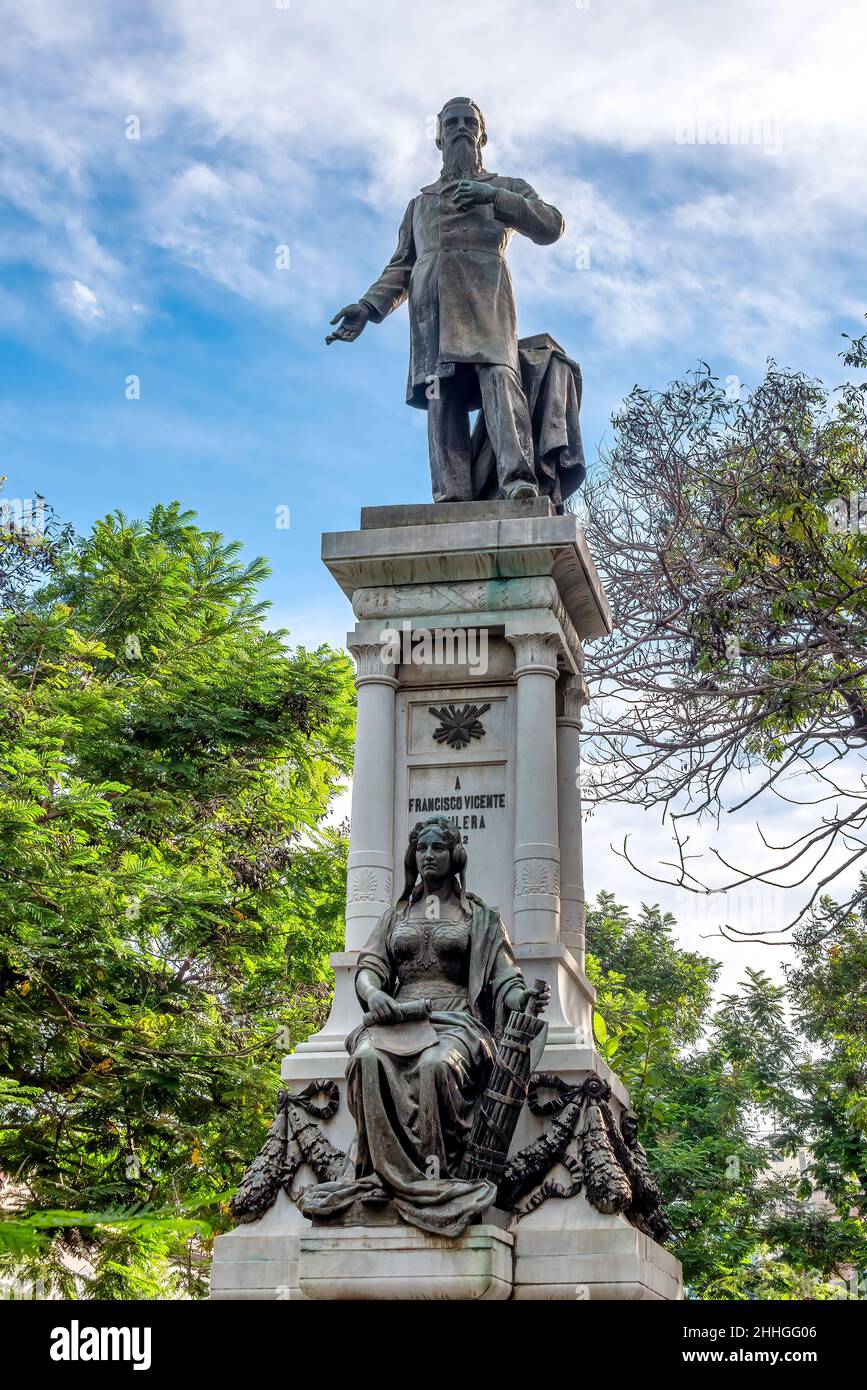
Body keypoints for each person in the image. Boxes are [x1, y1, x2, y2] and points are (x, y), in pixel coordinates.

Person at [299, 815, 549, 1236]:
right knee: (365, 1059)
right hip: (398, 1018)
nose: (428, 855)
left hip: (456, 1021)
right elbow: (368, 968)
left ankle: (433, 1180)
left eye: (437, 848)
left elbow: (504, 977)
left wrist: (521, 998)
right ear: (412, 858)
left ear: (456, 856)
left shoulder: (481, 918)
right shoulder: (395, 915)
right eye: (422, 848)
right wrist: (374, 993)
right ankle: (382, 1176)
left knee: (436, 1065)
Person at [325, 97, 565, 504]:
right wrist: (367, 307)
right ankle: (451, 495)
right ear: (438, 137)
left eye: (469, 121)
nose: (460, 128)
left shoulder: (506, 188)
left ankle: (518, 480)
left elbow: (551, 225)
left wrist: (492, 198)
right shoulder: (420, 203)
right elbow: (401, 266)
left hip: (484, 294)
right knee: (442, 393)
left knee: (499, 378)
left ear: (482, 134)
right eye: (450, 122)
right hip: (430, 306)